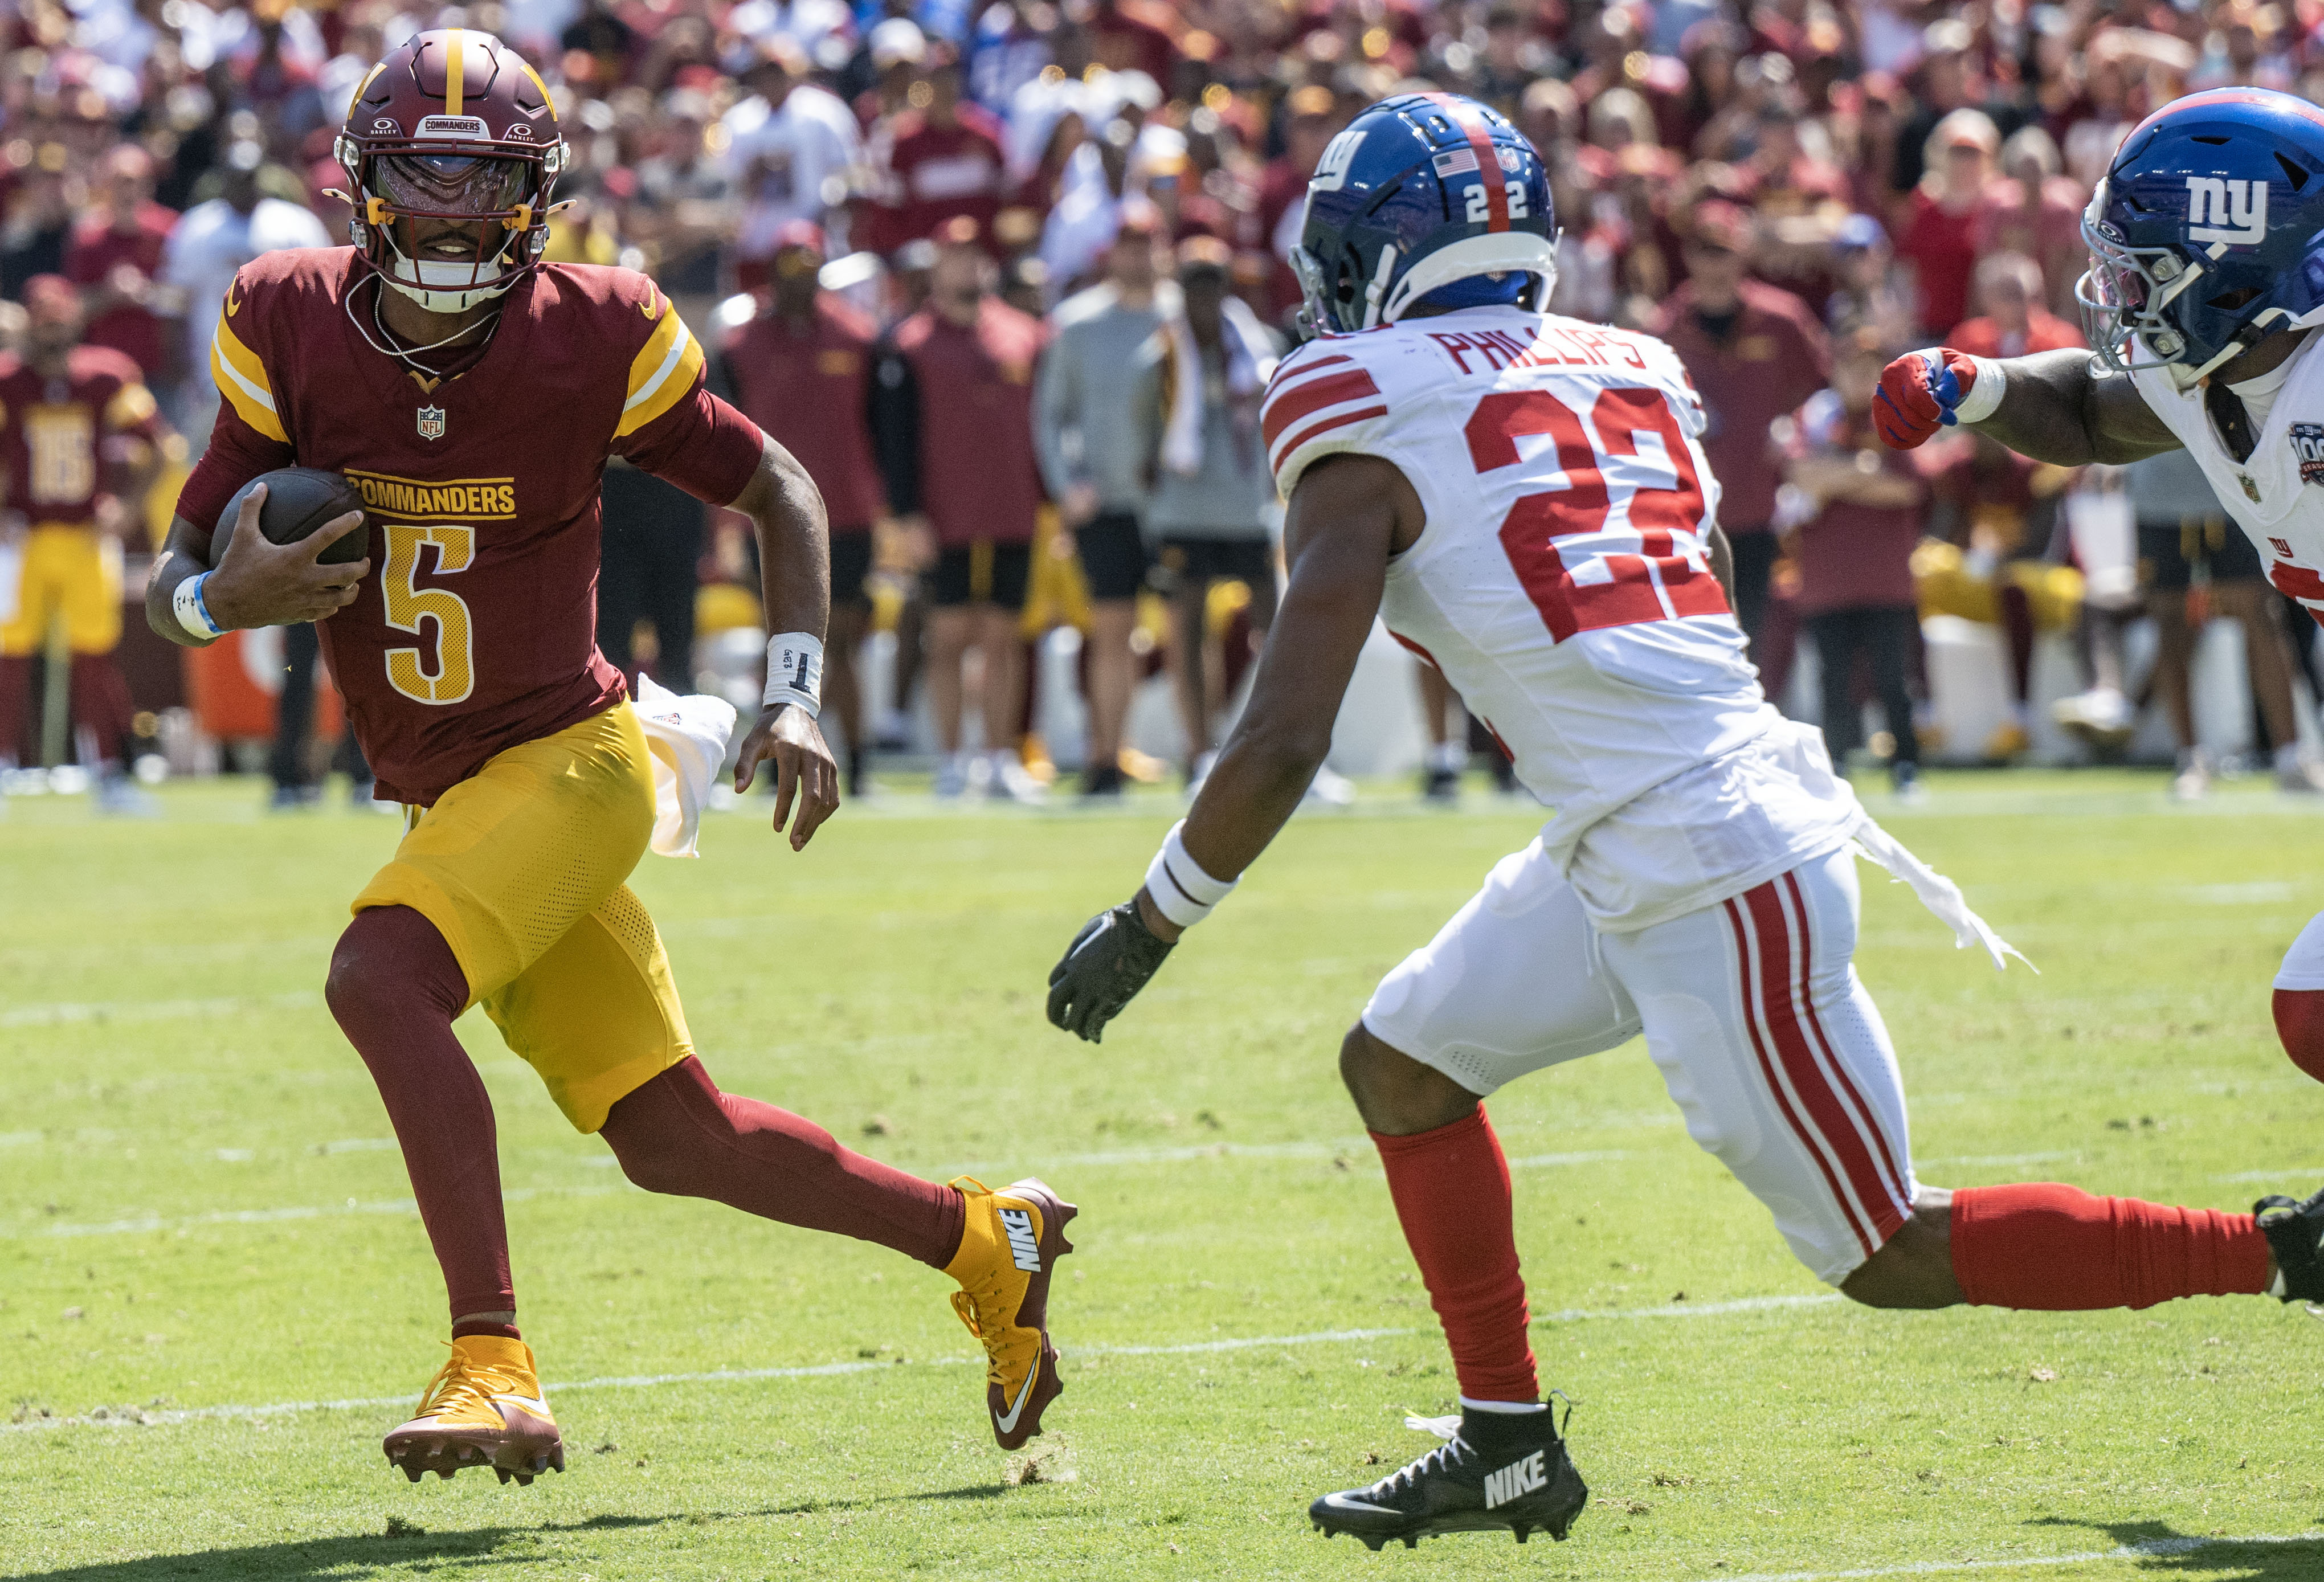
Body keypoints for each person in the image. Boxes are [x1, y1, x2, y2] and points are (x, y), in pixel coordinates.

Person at [1048, 91, 2324, 1554]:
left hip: (1706, 856)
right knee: (1401, 1061)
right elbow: (1694, 571)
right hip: (1638, 825)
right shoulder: (1630, 364)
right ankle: (1507, 1441)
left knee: (1880, 1250)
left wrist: (1150, 920)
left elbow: (1285, 730)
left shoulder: (1349, 393)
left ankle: (2285, 1250)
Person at [144, 31, 1075, 1484]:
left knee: (378, 974)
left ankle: (489, 1360)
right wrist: (219, 602)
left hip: (573, 758)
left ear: (535, 196)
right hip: (457, 790)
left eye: (482, 183)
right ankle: (982, 1237)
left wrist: (795, 690)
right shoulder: (285, 318)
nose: (449, 213)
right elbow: (180, 561)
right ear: (362, 183)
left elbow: (776, 481)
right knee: (674, 1136)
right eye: (419, 177)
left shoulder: (594, 329)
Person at [1880, 84, 2324, 1197]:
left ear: (2228, 263)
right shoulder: (2218, 366)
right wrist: (1971, 385)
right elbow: (2085, 409)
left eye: (2141, 265)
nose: (2117, 290)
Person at [711, 220, 887, 796]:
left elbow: (882, 431)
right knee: (781, 638)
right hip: (770, 513)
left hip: (846, 513)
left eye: (807, 267)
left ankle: (856, 761)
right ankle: (771, 765)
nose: (798, 280)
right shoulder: (740, 345)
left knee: (842, 644)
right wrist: (727, 525)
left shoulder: (857, 338)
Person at [875, 218, 1048, 800]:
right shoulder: (909, 342)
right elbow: (893, 437)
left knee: (1003, 635)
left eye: (974, 256)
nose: (965, 267)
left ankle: (1000, 756)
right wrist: (906, 513)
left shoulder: (1025, 335)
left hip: (1012, 507)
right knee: (948, 635)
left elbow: (1045, 427)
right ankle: (952, 758)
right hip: (943, 512)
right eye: (954, 256)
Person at [0, 276, 170, 810]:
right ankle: (7, 764)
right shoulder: (9, 380)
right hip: (23, 537)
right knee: (9, 655)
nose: (52, 333)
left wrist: (126, 508)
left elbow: (161, 448)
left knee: (95, 656)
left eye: (59, 321)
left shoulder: (105, 376)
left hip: (84, 536)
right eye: (43, 321)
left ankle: (109, 774)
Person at [1652, 199, 1828, 661]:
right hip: (1690, 516)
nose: (1714, 265)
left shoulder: (1783, 319)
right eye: (1704, 251)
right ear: (1687, 255)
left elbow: (1826, 394)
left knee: (1763, 637)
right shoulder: (1666, 330)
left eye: (1723, 252)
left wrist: (1796, 432)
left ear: (1743, 254)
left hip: (1766, 506)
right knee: (1697, 641)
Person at [1133, 236, 1280, 787]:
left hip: (1245, 509)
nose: (1204, 294)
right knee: (1187, 631)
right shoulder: (1161, 356)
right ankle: (1199, 751)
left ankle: (1281, 747)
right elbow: (1142, 435)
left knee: (1276, 629)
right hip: (1183, 511)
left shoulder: (1255, 350)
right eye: (1194, 282)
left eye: (1213, 282)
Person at [1034, 211, 1171, 797]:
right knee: (1112, 629)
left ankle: (1199, 754)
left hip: (1175, 504)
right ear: (1108, 254)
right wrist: (1068, 485)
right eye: (1127, 247)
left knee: (1185, 632)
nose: (1136, 258)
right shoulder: (1077, 323)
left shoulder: (1183, 317)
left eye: (1146, 246)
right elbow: (1050, 413)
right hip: (1108, 501)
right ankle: (1104, 756)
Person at [1783, 329, 1928, 799]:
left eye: (1871, 367)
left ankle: (1905, 765)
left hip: (1885, 578)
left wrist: (1837, 479)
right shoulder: (1815, 417)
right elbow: (1801, 474)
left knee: (1893, 676)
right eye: (1852, 366)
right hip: (1826, 579)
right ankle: (1837, 763)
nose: (1860, 377)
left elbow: (1907, 487)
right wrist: (1865, 471)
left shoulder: (1900, 415)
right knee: (1833, 678)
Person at [156, 139, 329, 438]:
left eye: (249, 177)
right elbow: (173, 306)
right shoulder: (197, 228)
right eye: (237, 178)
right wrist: (181, 371)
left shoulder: (296, 224)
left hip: (283, 381)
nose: (244, 186)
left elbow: (324, 302)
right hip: (212, 379)